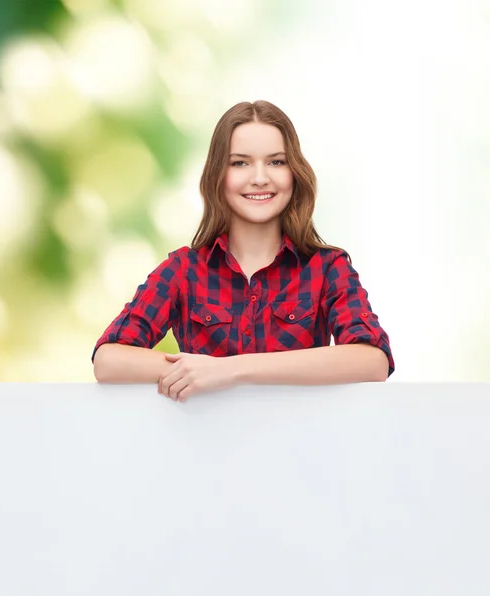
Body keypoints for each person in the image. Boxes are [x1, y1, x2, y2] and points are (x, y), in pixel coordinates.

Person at [92, 100, 394, 401]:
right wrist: (195, 370)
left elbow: (372, 361)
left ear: (294, 173)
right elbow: (109, 360)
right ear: (218, 176)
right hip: (204, 446)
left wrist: (229, 370)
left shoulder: (328, 268)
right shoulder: (184, 269)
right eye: (240, 163)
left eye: (276, 161)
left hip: (301, 445)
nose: (260, 177)